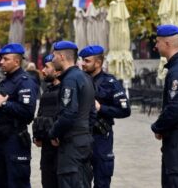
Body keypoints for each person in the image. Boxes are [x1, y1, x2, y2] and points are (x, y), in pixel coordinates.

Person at [79, 45, 131, 188]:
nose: (83, 63)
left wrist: (101, 108)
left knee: (102, 180)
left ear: (98, 63)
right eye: (82, 60)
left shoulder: (110, 83)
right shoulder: (79, 81)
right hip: (81, 138)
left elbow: (125, 110)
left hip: (101, 138)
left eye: (87, 61)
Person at [0, 43, 38, 188]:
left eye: (5, 59)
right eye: (1, 59)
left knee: (17, 183)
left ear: (16, 61)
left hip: (15, 139)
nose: (1, 62)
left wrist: (4, 104)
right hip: (1, 139)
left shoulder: (25, 82)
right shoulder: (7, 81)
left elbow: (28, 112)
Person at [49, 41, 95, 188]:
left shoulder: (70, 79)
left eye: (54, 56)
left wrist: (53, 133)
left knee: (71, 182)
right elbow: (92, 113)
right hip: (84, 140)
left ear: (61, 56)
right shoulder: (86, 77)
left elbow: (68, 114)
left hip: (72, 144)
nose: (52, 59)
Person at [151, 25, 178, 187]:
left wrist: (158, 127)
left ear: (167, 43)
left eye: (158, 42)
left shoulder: (177, 71)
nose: (155, 46)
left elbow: (176, 107)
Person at [32, 54, 61, 188]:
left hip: (62, 149)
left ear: (57, 71)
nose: (43, 70)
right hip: (47, 149)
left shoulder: (66, 91)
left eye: (47, 67)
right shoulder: (47, 91)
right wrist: (37, 136)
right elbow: (40, 116)